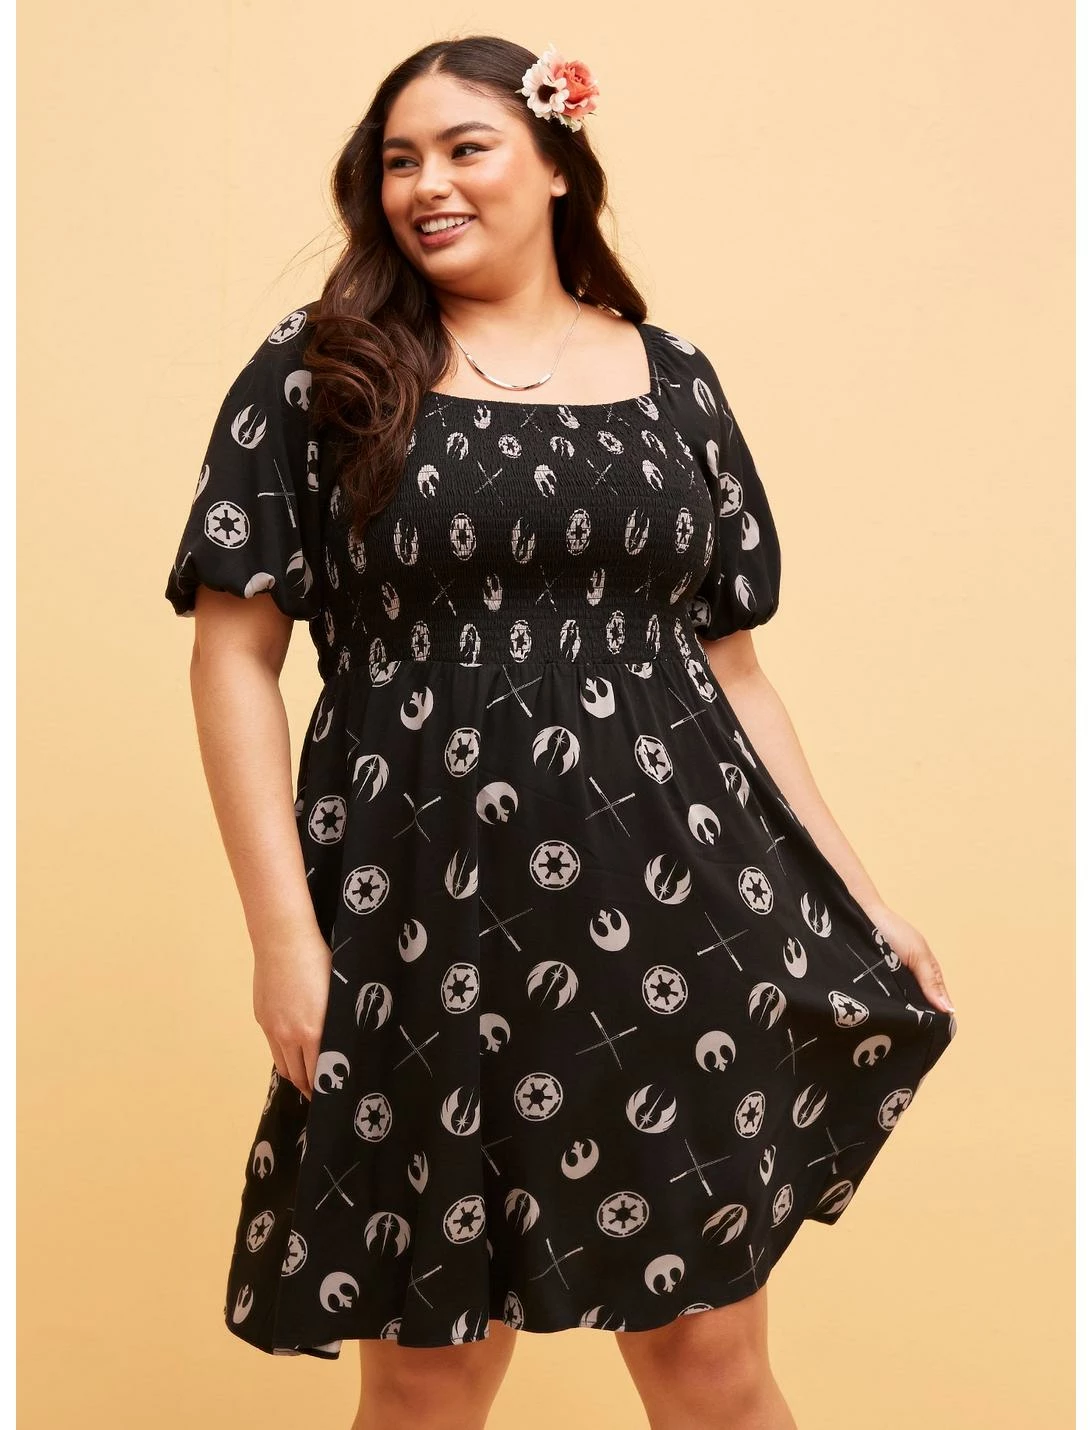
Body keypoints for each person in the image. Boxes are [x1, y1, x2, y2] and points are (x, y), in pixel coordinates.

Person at [163, 34, 958, 1430]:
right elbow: (233, 656)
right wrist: (285, 939)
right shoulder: (323, 370)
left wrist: (859, 894)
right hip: (420, 922)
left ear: (553, 164)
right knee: (428, 1376)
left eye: (464, 148)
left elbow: (734, 671)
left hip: (676, 920)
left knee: (709, 1366)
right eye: (397, 160)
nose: (427, 184)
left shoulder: (674, 379)